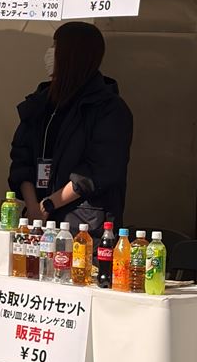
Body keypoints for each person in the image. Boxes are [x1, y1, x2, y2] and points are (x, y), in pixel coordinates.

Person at [8, 22, 133, 235]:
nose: (50, 53)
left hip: (84, 225)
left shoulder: (109, 108)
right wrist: (33, 206)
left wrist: (48, 204)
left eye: (56, 46)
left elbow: (99, 170)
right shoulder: (41, 102)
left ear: (73, 54)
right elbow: (21, 157)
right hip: (36, 220)